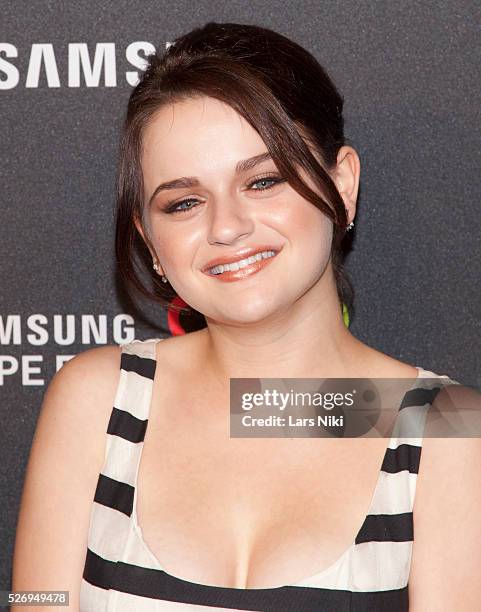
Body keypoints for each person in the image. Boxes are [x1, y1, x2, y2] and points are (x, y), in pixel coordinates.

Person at [12, 21, 480, 612]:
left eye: (262, 181)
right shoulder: (98, 398)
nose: (226, 227)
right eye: (184, 202)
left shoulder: (447, 432)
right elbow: (35, 597)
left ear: (343, 183)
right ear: (149, 239)